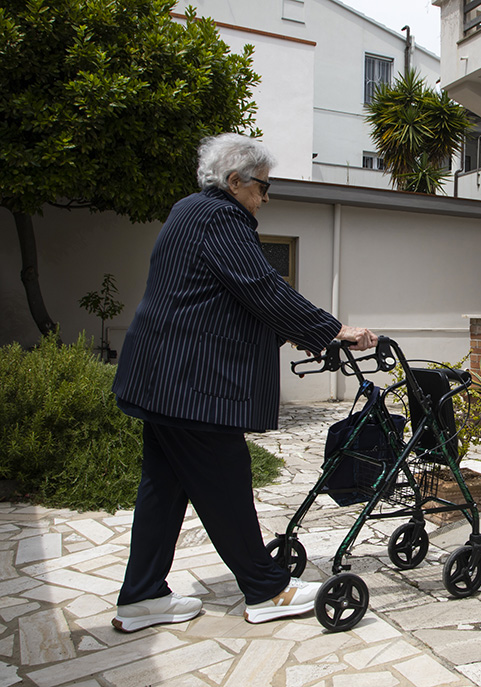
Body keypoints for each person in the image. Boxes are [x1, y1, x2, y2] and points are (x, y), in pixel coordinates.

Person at [110, 133, 377, 632]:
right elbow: (261, 287)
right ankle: (266, 590)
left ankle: (142, 596)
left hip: (162, 378)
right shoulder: (220, 216)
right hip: (191, 384)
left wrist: (295, 332)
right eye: (262, 187)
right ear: (235, 182)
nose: (265, 197)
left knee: (163, 488)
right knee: (225, 482)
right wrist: (334, 330)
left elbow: (219, 299)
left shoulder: (189, 211)